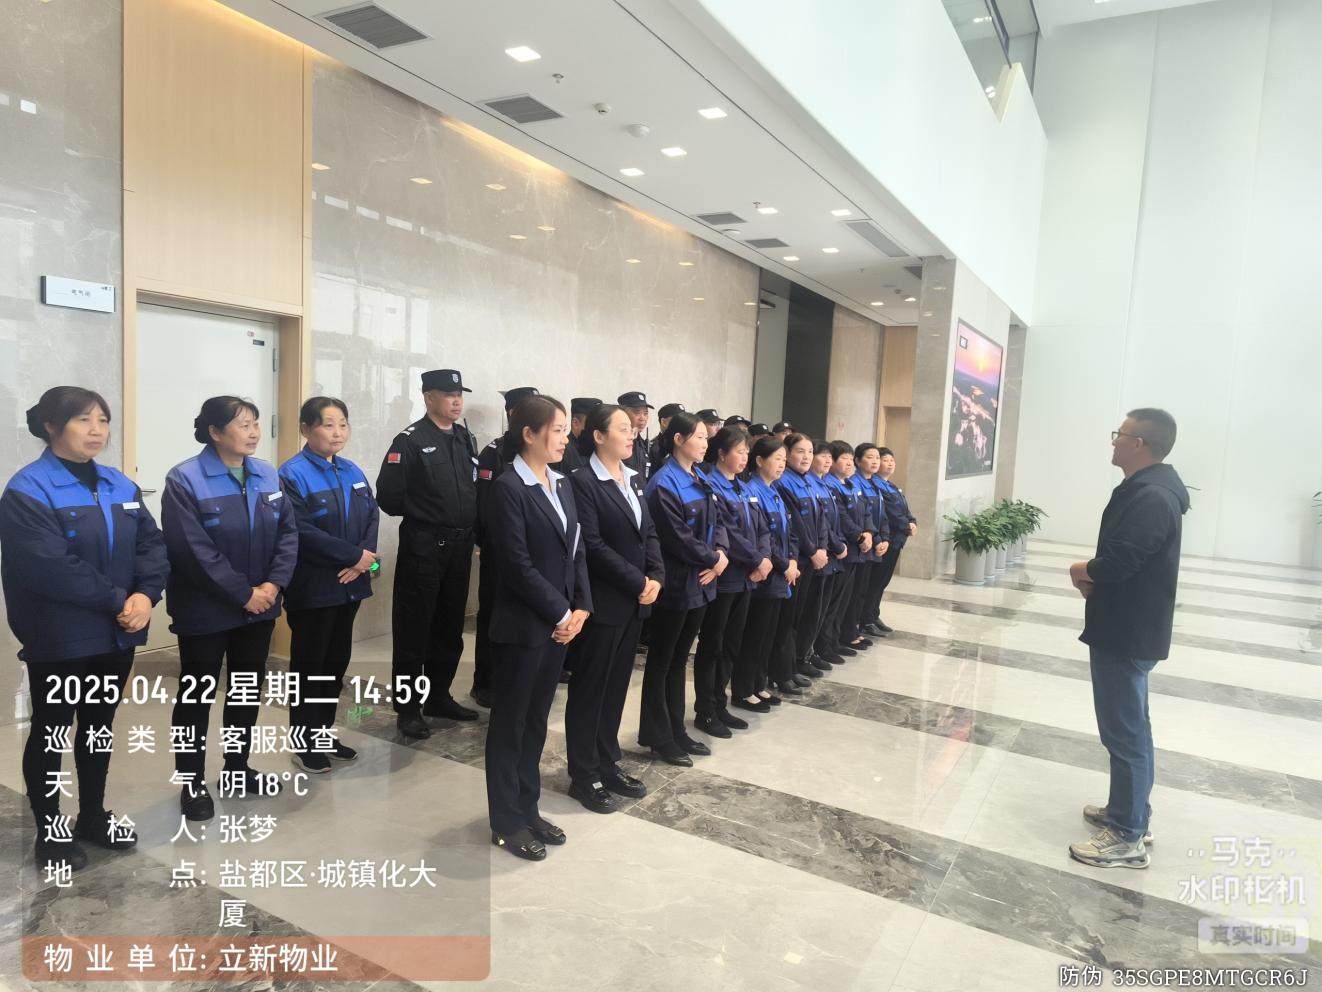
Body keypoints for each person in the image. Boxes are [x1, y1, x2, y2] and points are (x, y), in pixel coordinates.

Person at [1, 387, 168, 871]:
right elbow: (49, 566)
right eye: (83, 420)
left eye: (103, 420)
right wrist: (121, 601)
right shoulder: (28, 489)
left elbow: (152, 546)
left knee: (98, 727)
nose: (97, 430)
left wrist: (146, 595)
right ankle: (50, 830)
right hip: (60, 635)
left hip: (117, 633)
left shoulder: (119, 485)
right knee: (52, 729)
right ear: (51, 426)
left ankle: (93, 814)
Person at [163, 396, 298, 821]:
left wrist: (273, 584)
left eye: (255, 423)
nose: (254, 432)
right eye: (243, 424)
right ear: (215, 432)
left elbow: (288, 533)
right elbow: (192, 549)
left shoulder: (267, 474)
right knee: (197, 696)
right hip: (205, 609)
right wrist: (243, 592)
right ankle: (191, 782)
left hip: (260, 606)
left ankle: (237, 769)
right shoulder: (185, 478)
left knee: (245, 690)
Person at [1067, 408, 1188, 870]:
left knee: (1126, 732)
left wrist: (1081, 570)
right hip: (1126, 623)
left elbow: (1122, 561)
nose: (1114, 440)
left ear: (1139, 444)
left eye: (1120, 434)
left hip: (1127, 629)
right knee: (1130, 727)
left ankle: (1127, 836)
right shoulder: (1149, 488)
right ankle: (1128, 812)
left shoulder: (1152, 496)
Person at [485, 396, 592, 861]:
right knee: (510, 725)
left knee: (535, 722)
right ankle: (505, 821)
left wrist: (582, 606)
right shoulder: (508, 488)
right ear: (528, 433)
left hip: (558, 626)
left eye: (566, 430)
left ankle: (527, 808)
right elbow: (516, 565)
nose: (565, 438)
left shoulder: (561, 483)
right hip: (523, 627)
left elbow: (576, 550)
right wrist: (561, 612)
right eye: (557, 430)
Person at [566, 404, 663, 813]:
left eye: (632, 428)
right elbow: (592, 544)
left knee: (616, 685)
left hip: (634, 602)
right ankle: (583, 773)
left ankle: (607, 762)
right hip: (604, 602)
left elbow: (649, 531)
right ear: (599, 436)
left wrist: (656, 575)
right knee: (591, 688)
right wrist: (638, 581)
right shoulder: (583, 482)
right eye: (622, 428)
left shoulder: (633, 478)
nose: (632, 434)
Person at [377, 370, 481, 737]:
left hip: (460, 546)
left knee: (449, 627)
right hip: (424, 546)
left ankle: (439, 696)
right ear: (428, 398)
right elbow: (388, 497)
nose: (457, 400)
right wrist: (427, 512)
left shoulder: (464, 438)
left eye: (460, 394)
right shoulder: (410, 441)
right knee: (414, 629)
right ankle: (408, 709)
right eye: (449, 394)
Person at [278, 398, 379, 775]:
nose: (338, 433)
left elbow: (372, 515)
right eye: (328, 425)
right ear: (306, 429)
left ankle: (322, 734)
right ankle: (303, 743)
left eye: (343, 424)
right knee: (310, 667)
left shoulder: (351, 470)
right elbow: (300, 530)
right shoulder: (291, 474)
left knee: (335, 664)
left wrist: (363, 558)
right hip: (314, 586)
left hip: (351, 584)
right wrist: (353, 557)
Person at [640, 412, 728, 765]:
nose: (706, 444)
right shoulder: (664, 483)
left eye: (707, 438)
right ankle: (658, 736)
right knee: (662, 661)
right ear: (678, 439)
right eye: (699, 437)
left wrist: (720, 555)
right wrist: (712, 559)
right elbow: (677, 538)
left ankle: (676, 729)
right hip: (676, 584)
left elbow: (718, 520)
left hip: (701, 582)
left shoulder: (699, 476)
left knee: (679, 660)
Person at [694, 426, 771, 734]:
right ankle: (705, 710)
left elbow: (762, 527)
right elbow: (727, 531)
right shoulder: (711, 484)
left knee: (731, 645)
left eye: (746, 452)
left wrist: (764, 558)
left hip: (747, 579)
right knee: (713, 644)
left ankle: (720, 704)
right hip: (725, 579)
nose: (744, 457)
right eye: (739, 452)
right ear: (722, 453)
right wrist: (756, 560)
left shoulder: (744, 486)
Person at [472, 385, 540, 707]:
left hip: (533, 550)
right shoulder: (494, 452)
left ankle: (519, 678)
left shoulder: (540, 451)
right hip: (499, 550)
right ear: (513, 414)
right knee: (492, 614)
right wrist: (483, 542)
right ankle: (485, 681)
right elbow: (484, 504)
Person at [733, 435, 799, 712]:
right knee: (754, 634)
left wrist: (792, 561)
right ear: (759, 461)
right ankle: (743, 689)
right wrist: (784, 564)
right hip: (765, 575)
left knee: (768, 634)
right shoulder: (753, 491)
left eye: (784, 459)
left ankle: (759, 684)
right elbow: (764, 537)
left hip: (779, 575)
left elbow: (788, 531)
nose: (782, 464)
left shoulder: (774, 491)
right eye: (777, 459)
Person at [774, 433, 829, 687]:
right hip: (798, 560)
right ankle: (782, 672)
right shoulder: (784, 482)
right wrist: (812, 551)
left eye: (810, 452)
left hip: (812, 558)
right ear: (787, 454)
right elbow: (795, 524)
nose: (806, 457)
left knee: (801, 616)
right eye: (800, 451)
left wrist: (822, 548)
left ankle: (793, 664)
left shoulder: (808, 481)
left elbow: (821, 519)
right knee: (788, 619)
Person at [823, 441, 873, 653]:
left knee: (848, 598)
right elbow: (842, 517)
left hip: (858, 549)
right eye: (844, 458)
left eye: (851, 459)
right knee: (835, 601)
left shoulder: (851, 484)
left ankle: (841, 637)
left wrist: (869, 532)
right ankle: (829, 643)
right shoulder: (830, 485)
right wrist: (859, 537)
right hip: (845, 549)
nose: (849, 463)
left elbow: (866, 510)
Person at [808, 442, 849, 668]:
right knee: (813, 610)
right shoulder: (810, 484)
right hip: (821, 555)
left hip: (831, 554)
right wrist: (836, 545)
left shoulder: (822, 484)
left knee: (826, 607)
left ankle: (819, 648)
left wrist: (839, 543)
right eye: (822, 456)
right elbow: (820, 524)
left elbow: (834, 520)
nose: (827, 461)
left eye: (829, 457)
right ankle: (809, 653)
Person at [868, 447, 917, 633]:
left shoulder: (892, 485)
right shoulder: (876, 485)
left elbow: (904, 508)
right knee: (875, 582)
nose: (889, 464)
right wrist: (906, 525)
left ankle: (873, 614)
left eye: (892, 460)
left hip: (896, 540)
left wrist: (912, 521)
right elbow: (891, 513)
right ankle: (867, 618)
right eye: (885, 460)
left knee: (882, 582)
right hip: (886, 539)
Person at [851, 443, 892, 639]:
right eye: (870, 457)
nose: (875, 461)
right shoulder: (855, 483)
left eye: (877, 457)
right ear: (858, 461)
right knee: (858, 591)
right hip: (863, 545)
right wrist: (875, 539)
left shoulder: (875, 484)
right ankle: (855, 627)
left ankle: (862, 624)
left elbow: (882, 516)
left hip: (875, 544)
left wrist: (885, 538)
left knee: (868, 587)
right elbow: (862, 518)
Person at [559, 397, 600, 476]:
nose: (597, 428)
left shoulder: (599, 448)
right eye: (592, 423)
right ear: (575, 423)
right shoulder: (562, 451)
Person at [617, 391, 653, 479]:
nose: (642, 418)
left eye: (645, 413)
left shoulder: (643, 444)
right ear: (623, 413)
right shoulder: (617, 443)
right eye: (637, 413)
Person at [648, 402, 686, 471]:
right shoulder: (653, 448)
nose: (682, 423)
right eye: (677, 420)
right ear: (664, 422)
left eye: (683, 420)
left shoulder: (686, 443)